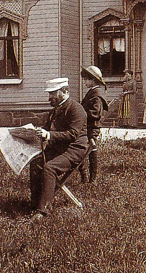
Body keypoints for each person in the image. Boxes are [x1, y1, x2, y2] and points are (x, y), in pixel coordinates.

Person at [27, 77, 89, 221]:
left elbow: (72, 134)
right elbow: (47, 129)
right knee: (35, 164)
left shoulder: (76, 109)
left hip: (74, 150)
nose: (50, 97)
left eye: (53, 93)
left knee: (49, 168)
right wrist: (37, 132)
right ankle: (35, 204)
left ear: (65, 91)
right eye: (49, 94)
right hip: (60, 149)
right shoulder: (55, 110)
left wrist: (49, 135)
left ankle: (44, 211)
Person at [79, 65, 108, 184]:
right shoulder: (92, 92)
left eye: (86, 79)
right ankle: (85, 176)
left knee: (91, 150)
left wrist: (81, 115)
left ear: (93, 80)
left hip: (92, 127)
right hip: (88, 126)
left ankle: (92, 178)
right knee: (85, 150)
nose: (84, 81)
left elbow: (95, 113)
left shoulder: (97, 94)